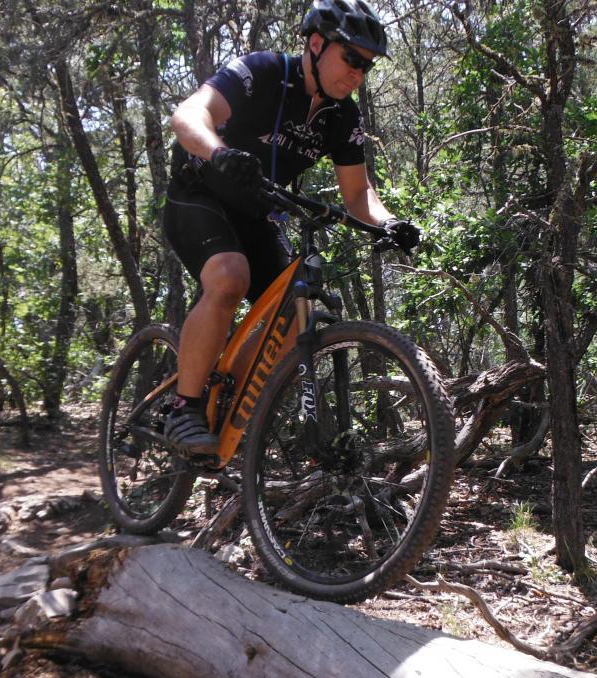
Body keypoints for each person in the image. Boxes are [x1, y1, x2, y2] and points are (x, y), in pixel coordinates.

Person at [161, 0, 420, 456]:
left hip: (256, 211)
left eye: (368, 66)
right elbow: (188, 115)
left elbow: (358, 196)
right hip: (198, 192)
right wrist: (219, 153)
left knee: (289, 321)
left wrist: (391, 223)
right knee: (228, 276)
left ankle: (222, 405)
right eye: (352, 58)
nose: (359, 73)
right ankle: (185, 408)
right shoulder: (261, 73)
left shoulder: (343, 117)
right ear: (316, 44)